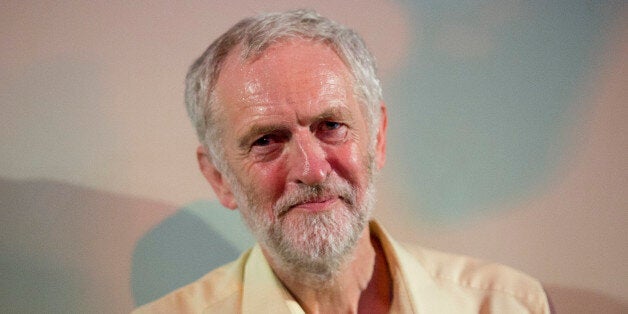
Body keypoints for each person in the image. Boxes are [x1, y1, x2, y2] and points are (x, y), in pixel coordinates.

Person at [134, 9, 551, 313]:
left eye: (331, 126)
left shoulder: (505, 304)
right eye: (265, 140)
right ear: (218, 177)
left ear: (379, 137)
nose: (313, 170)